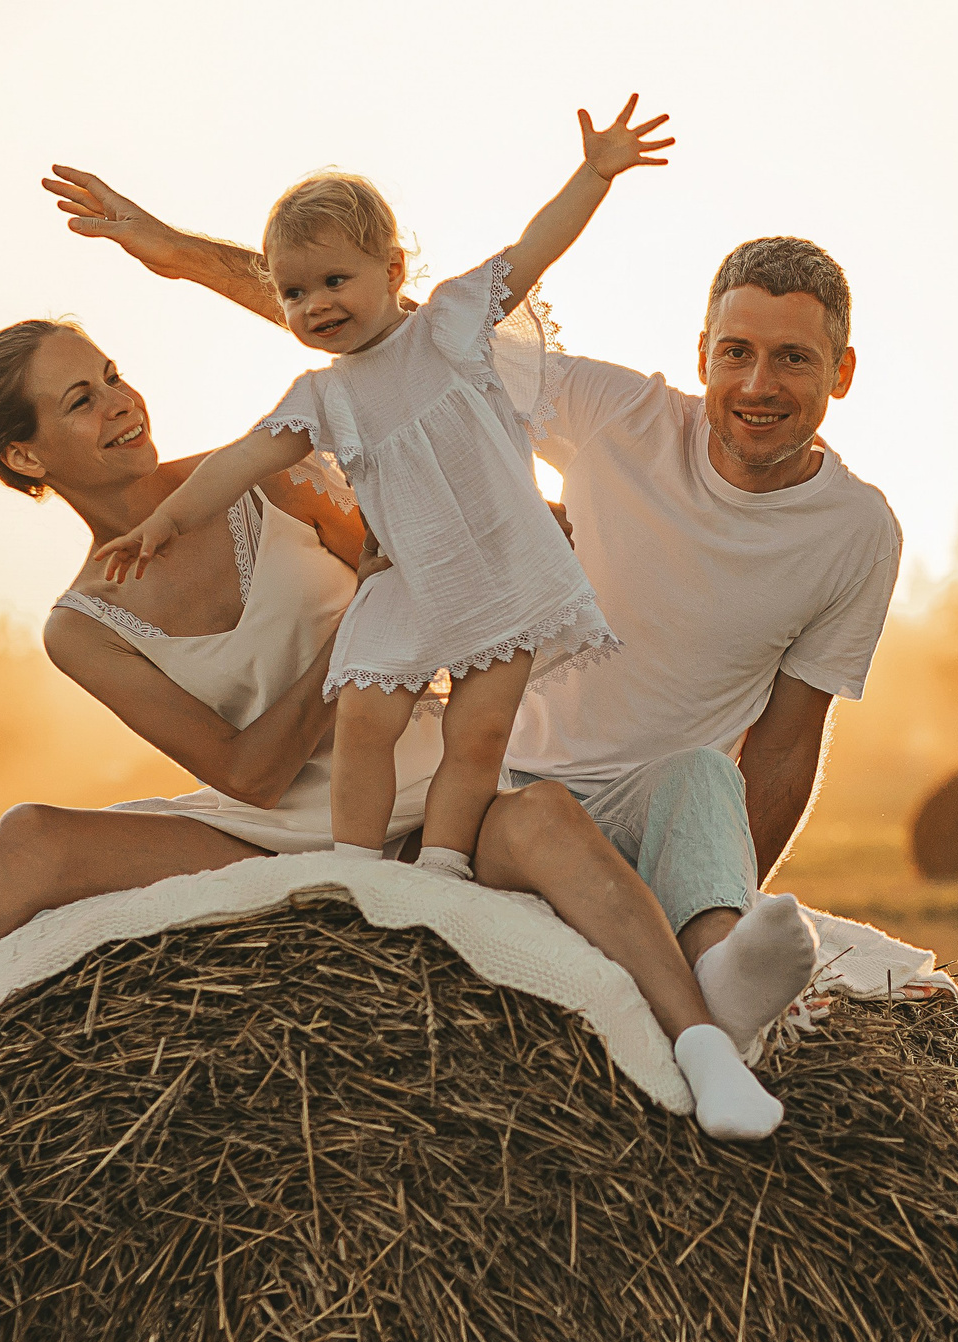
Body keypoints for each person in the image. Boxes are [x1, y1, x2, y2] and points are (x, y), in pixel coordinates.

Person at [0, 316, 785, 1157]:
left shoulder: (269, 473)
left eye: (112, 375)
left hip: (425, 778)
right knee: (30, 837)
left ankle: (701, 1046)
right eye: (80, 401)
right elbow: (242, 767)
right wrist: (352, 654)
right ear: (32, 459)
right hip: (269, 820)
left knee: (539, 819)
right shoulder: (79, 624)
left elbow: (409, 537)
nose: (119, 402)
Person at [47, 175, 899, 1055]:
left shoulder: (858, 533)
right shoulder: (618, 416)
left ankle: (723, 971)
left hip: (664, 813)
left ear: (840, 370)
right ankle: (700, 999)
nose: (758, 383)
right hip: (515, 791)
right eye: (737, 352)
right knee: (542, 816)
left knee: (705, 774)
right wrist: (186, 257)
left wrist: (727, 889)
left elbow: (791, 743)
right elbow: (393, 343)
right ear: (702, 355)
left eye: (793, 358)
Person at [93, 99, 673, 882]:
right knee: (364, 714)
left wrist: (595, 173)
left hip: (503, 567)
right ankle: (355, 871)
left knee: (478, 732)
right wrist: (163, 521)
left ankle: (441, 869)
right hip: (406, 577)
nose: (315, 305)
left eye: (335, 280)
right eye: (294, 294)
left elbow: (534, 248)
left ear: (393, 270)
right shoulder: (324, 395)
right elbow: (242, 459)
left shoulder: (448, 326)